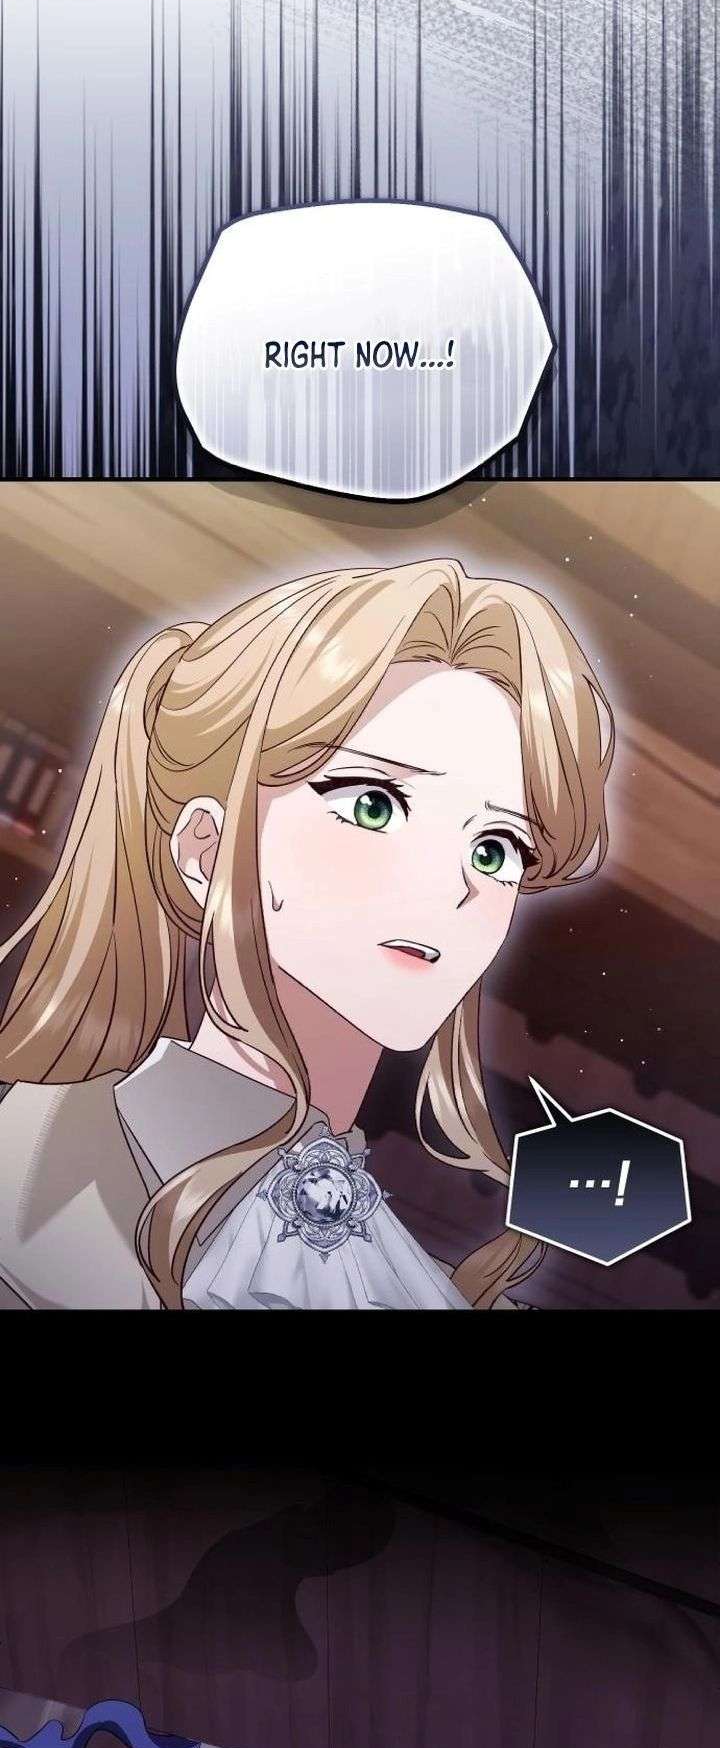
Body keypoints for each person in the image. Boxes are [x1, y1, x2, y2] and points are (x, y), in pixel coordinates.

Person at [0, 552, 612, 1313]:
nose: (450, 888)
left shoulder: (376, 1250)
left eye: (494, 849)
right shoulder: (45, 1183)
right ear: (204, 851)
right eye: (373, 806)